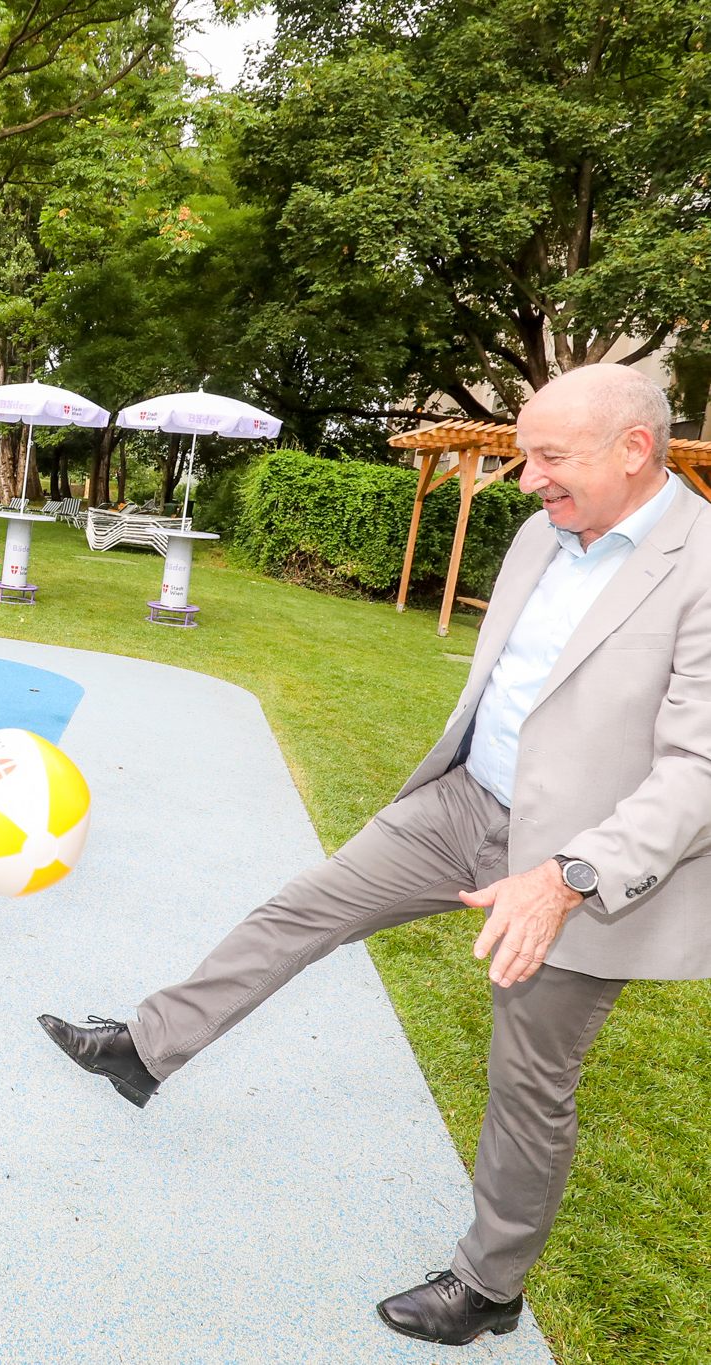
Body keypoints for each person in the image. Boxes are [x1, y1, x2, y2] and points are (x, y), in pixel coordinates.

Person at [39, 363, 711, 1346]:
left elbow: (696, 769)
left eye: (548, 458)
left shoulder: (700, 566)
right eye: (524, 455)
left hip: (571, 870)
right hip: (461, 804)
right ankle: (144, 1047)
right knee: (302, 906)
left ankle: (488, 1286)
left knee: (528, 1083)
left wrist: (568, 877)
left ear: (634, 450)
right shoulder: (541, 532)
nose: (527, 479)